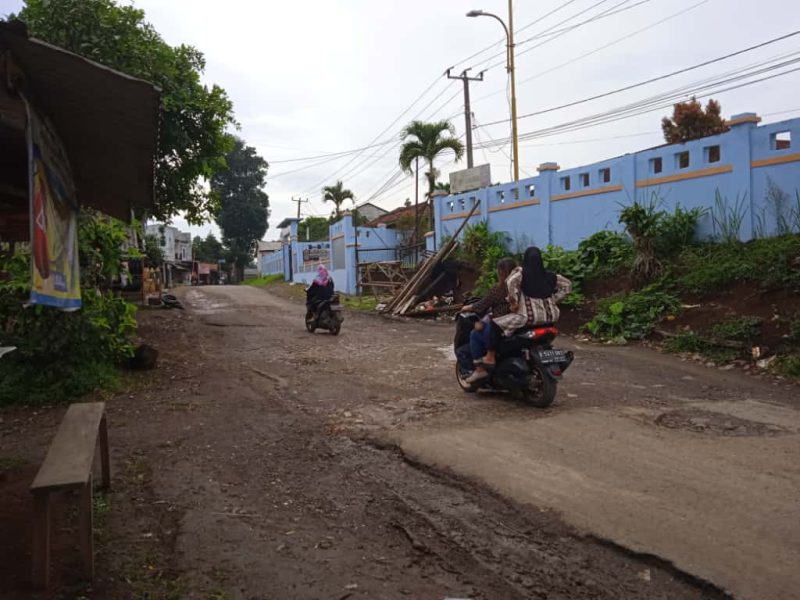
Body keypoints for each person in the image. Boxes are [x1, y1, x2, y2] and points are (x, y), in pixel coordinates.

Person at [461, 257, 517, 383]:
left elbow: (483, 304)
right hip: (518, 324)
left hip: (501, 325)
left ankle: (480, 369)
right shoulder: (522, 287)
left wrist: (467, 307)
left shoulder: (499, 289)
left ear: (501, 272)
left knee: (474, 334)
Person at [506, 246, 572, 328]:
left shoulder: (521, 275)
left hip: (530, 318)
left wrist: (514, 303)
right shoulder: (550, 276)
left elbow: (510, 282)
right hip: (551, 316)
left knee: (498, 324)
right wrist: (554, 299)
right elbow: (567, 284)